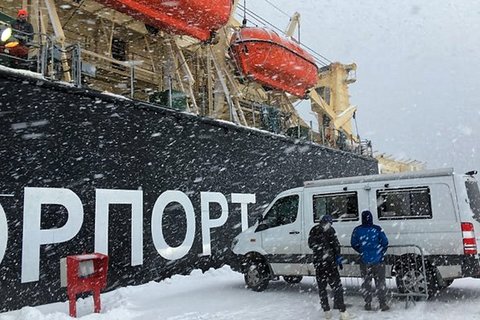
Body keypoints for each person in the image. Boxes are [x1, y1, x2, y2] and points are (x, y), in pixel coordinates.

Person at [308, 215, 351, 320]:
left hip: (320, 264)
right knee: (337, 287)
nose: (330, 225)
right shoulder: (330, 230)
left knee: (322, 288)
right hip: (329, 264)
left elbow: (311, 244)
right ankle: (342, 312)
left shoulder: (314, 230)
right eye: (329, 223)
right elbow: (336, 245)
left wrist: (320, 249)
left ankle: (327, 311)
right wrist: (336, 256)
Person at [350, 210, 390, 311]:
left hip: (365, 261)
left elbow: (353, 243)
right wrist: (381, 251)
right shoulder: (377, 229)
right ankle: (382, 303)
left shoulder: (357, 230)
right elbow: (385, 242)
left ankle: (368, 303)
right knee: (380, 282)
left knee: (366, 283)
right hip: (378, 260)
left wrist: (362, 250)